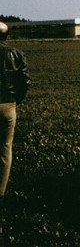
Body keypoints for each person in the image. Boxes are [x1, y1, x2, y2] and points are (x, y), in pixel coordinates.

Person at [0, 22, 30, 198]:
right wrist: (15, 101)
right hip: (8, 106)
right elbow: (24, 82)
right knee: (4, 148)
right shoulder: (16, 54)